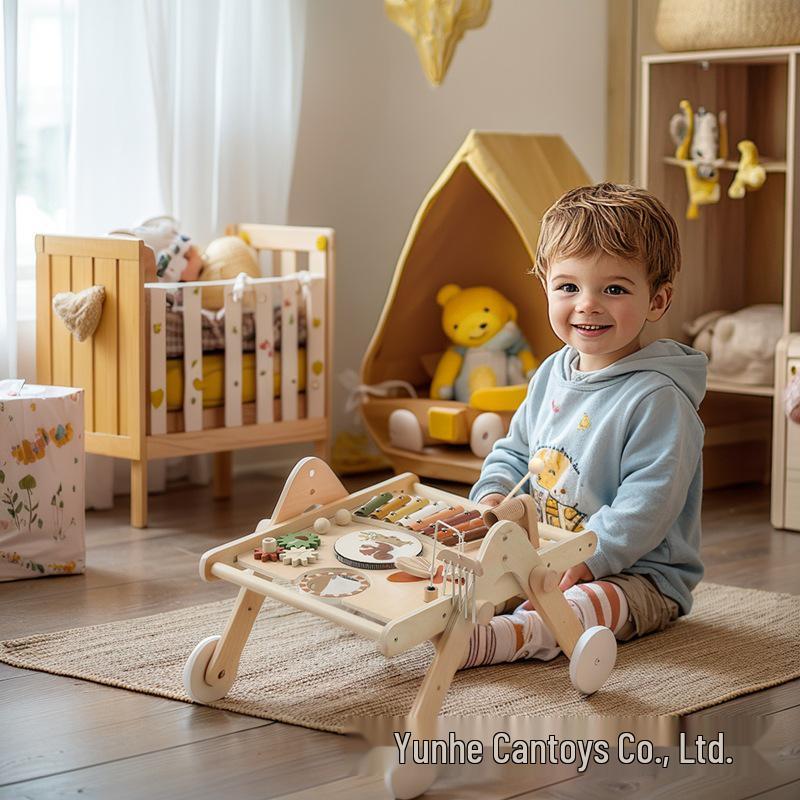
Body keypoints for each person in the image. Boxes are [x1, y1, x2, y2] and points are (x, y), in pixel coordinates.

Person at [461, 182, 707, 669]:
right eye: (568, 287)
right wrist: (492, 498)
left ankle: (512, 636)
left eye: (614, 289)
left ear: (657, 302)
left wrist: (586, 559)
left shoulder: (659, 398)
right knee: (471, 575)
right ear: (546, 288)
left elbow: (648, 504)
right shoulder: (553, 370)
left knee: (580, 606)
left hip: (637, 575)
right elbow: (515, 452)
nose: (587, 304)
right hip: (547, 554)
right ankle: (468, 615)